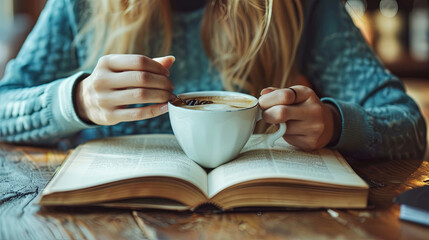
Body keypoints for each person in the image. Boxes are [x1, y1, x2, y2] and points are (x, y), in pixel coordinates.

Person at [0, 0, 426, 161]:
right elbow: (5, 106)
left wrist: (333, 123)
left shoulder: (300, 7)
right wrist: (78, 100)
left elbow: (408, 125)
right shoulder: (79, 6)